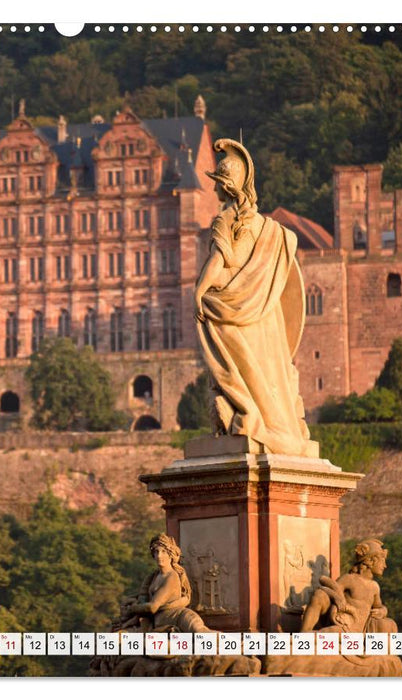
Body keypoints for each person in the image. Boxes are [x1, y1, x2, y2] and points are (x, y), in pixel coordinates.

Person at [194, 138, 315, 457]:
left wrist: (199, 292)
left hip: (233, 307)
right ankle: (276, 423)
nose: (215, 190)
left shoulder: (224, 220)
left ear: (226, 187)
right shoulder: (268, 228)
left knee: (211, 312)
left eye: (217, 184)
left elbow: (220, 263)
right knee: (267, 372)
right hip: (263, 312)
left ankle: (247, 415)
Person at [299, 538, 398, 634]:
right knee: (320, 595)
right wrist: (337, 597)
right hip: (342, 624)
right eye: (382, 561)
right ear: (370, 561)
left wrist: (383, 611)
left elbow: (379, 606)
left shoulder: (374, 587)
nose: (385, 566)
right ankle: (303, 633)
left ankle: (308, 638)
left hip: (354, 630)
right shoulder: (350, 579)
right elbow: (328, 585)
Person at [116, 534, 210, 633]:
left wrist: (132, 608)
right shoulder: (153, 577)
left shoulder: (172, 577)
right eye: (156, 552)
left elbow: (153, 607)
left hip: (180, 618)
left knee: (202, 634)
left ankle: (226, 641)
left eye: (163, 551)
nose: (159, 555)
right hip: (158, 622)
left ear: (170, 555)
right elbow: (142, 600)